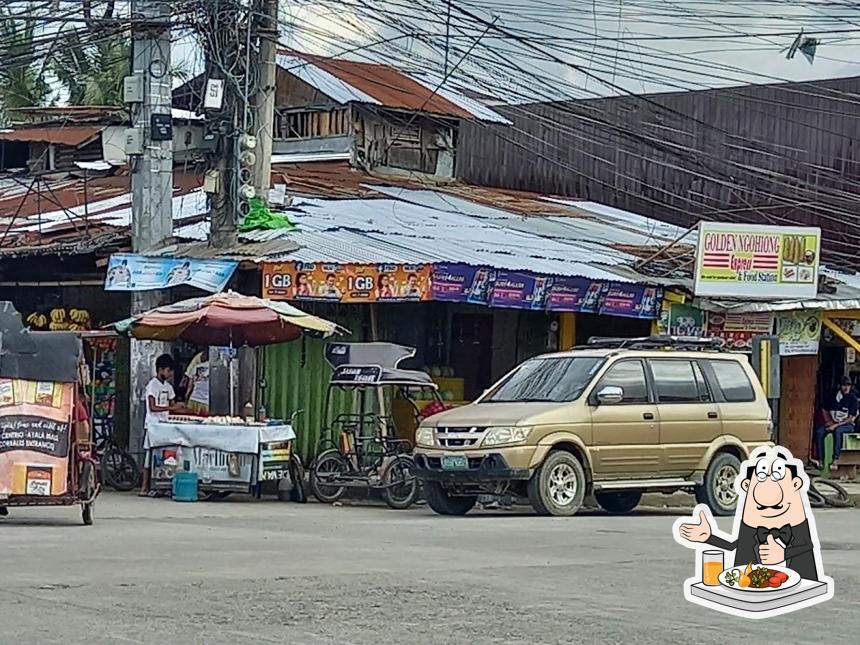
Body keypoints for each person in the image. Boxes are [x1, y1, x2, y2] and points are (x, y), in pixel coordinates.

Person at [677, 446, 821, 581]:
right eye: (762, 477)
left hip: (799, 585)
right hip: (751, 584)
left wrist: (784, 554)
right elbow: (738, 546)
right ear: (746, 485)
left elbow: (807, 547)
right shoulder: (751, 522)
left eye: (777, 476)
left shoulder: (796, 523)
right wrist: (709, 538)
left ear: (795, 484)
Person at [139, 354, 179, 496]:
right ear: (160, 369)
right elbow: (152, 407)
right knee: (149, 457)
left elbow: (173, 404)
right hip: (153, 425)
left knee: (167, 455)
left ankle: (163, 484)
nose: (170, 373)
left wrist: (178, 408)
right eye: (168, 370)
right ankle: (144, 486)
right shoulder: (152, 385)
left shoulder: (168, 387)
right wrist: (170, 408)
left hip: (165, 424)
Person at [812, 376, 858, 470]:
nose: (846, 388)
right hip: (833, 422)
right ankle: (821, 460)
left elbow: (851, 418)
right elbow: (824, 408)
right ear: (840, 386)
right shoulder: (833, 397)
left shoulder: (852, 399)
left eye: (848, 385)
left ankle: (836, 459)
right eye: (844, 385)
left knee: (838, 431)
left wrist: (835, 425)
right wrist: (829, 421)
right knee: (819, 432)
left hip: (847, 425)